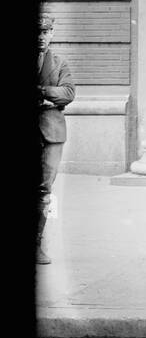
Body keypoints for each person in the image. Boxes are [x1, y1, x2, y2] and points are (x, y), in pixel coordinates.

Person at [38, 14, 75, 265]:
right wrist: (52, 99)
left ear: (52, 33)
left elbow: (68, 93)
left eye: (46, 32)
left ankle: (37, 244)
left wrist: (43, 92)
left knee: (44, 190)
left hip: (51, 134)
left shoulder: (60, 63)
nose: (41, 37)